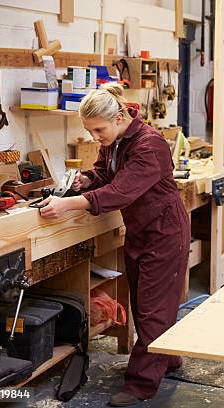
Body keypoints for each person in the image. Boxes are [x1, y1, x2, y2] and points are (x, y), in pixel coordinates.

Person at [38, 83, 190, 406]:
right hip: (140, 229)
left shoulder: (149, 145)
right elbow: (105, 174)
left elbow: (120, 191)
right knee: (147, 302)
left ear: (120, 117)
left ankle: (141, 383)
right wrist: (87, 180)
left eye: (98, 130)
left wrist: (68, 204)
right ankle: (168, 357)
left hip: (164, 232)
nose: (95, 138)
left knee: (152, 309)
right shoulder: (116, 140)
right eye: (90, 131)